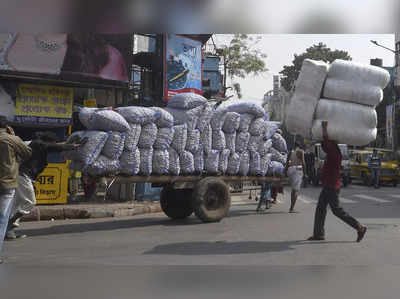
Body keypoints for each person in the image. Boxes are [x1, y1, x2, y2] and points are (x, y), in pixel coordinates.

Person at [5, 131, 84, 240]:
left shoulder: (36, 144)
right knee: (30, 202)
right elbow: (52, 146)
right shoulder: (38, 144)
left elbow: (53, 145)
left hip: (24, 177)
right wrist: (72, 146)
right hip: (23, 176)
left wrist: (68, 143)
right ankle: (7, 224)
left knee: (17, 205)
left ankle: (8, 231)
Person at [308, 121, 367, 242]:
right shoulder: (334, 150)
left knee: (337, 210)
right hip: (329, 184)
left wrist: (324, 129)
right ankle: (319, 233)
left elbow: (325, 144)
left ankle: (359, 227)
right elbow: (325, 145)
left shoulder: (334, 151)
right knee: (320, 208)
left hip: (332, 185)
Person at [0, 116, 32, 263]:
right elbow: (27, 152)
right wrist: (13, 136)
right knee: (2, 219)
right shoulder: (12, 139)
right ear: (6, 126)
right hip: (7, 184)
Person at [285, 142, 306, 213]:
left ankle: (291, 207)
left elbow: (287, 163)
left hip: (290, 170)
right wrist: (305, 173)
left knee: (293, 190)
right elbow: (303, 163)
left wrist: (285, 172)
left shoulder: (290, 152)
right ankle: (292, 208)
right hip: (297, 170)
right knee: (296, 190)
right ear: (299, 146)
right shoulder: (300, 151)